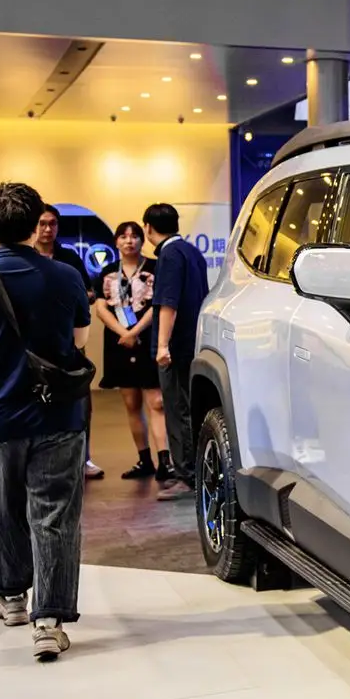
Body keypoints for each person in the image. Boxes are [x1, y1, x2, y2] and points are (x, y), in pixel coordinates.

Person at [0, 182, 91, 661]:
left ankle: (10, 599)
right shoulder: (67, 276)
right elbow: (80, 340)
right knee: (55, 515)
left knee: (3, 506)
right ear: (36, 225)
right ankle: (49, 622)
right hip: (59, 413)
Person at [93, 221, 168, 480]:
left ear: (142, 240)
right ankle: (144, 460)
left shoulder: (154, 267)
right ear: (116, 241)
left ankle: (165, 461)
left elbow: (158, 305)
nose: (129, 241)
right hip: (119, 344)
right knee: (131, 403)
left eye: (134, 236)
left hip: (148, 340)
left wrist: (134, 332)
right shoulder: (107, 272)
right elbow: (101, 308)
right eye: (123, 236)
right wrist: (123, 333)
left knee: (156, 401)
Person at [145, 203, 210, 502]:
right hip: (192, 342)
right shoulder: (192, 251)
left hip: (175, 347)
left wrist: (162, 346)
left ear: (148, 228)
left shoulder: (169, 255)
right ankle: (195, 470)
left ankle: (186, 476)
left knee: (176, 409)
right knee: (188, 408)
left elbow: (167, 303)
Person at [35, 204, 104, 480]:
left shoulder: (69, 257)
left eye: (52, 223)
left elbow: (89, 293)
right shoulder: (25, 257)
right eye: (42, 223)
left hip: (69, 338)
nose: (47, 229)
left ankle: (83, 458)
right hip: (34, 342)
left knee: (78, 399)